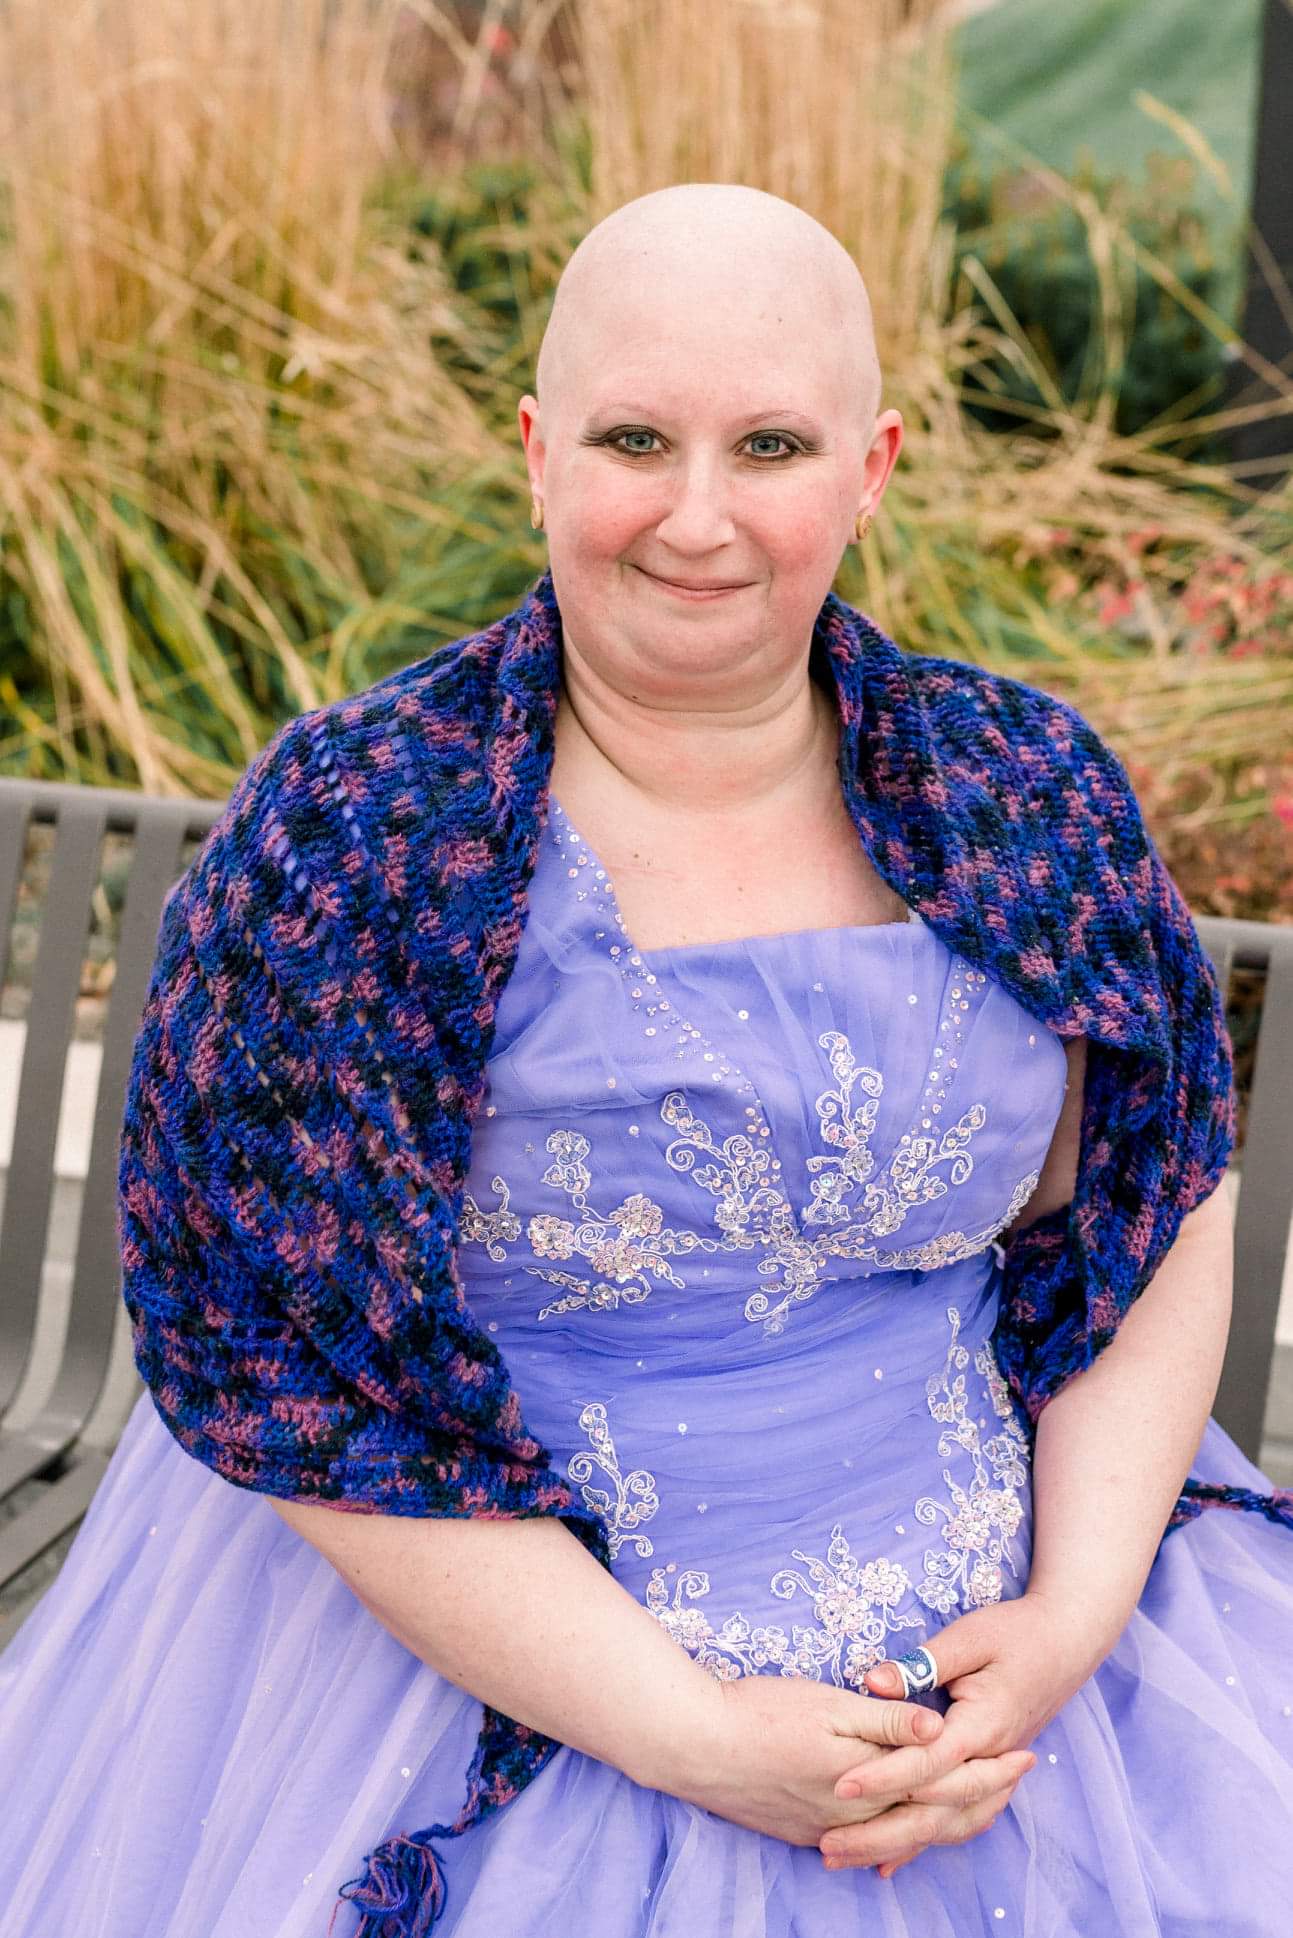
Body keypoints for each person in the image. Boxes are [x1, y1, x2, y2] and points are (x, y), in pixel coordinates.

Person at [2, 181, 1292, 1938]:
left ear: (873, 466)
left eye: (768, 443)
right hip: (470, 1652)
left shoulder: (1019, 789)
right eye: (634, 438)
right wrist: (690, 1735)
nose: (697, 517)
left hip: (1018, 1658)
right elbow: (285, 1359)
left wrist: (1069, 1615)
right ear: (537, 452)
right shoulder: (359, 835)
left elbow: (1155, 1195)